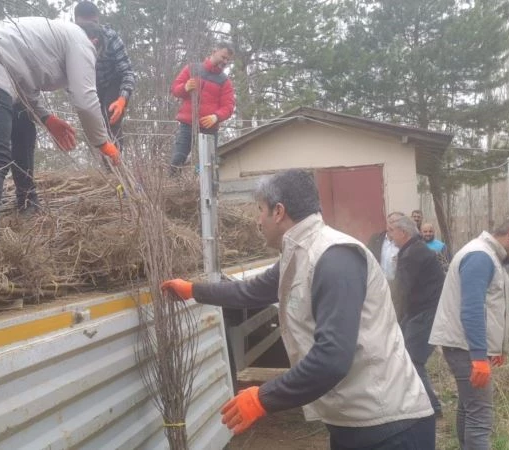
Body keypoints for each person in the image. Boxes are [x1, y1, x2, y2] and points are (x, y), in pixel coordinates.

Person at [163, 170, 435, 449]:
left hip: (389, 427)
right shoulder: (299, 255)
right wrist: (193, 290)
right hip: (355, 423)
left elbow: (332, 358)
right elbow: (251, 291)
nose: (258, 220)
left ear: (278, 211)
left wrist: (263, 398)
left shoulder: (333, 257)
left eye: (260, 210)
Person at [0, 17, 119, 230]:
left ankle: (27, 201)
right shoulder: (81, 40)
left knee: (23, 124)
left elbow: (25, 88)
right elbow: (85, 99)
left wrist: (47, 118)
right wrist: (103, 143)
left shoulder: (51, 37)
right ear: (95, 42)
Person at [429, 215, 509, 449]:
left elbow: (491, 308)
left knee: (469, 408)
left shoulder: (488, 256)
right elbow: (472, 310)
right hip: (465, 348)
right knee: (481, 418)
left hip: (464, 346)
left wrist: (498, 348)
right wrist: (479, 357)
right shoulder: (481, 257)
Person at [388, 215, 445, 417]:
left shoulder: (413, 253)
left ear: (403, 233)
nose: (390, 236)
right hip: (419, 311)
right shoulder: (414, 249)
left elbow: (401, 290)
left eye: (392, 231)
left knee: (412, 359)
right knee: (402, 355)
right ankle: (409, 399)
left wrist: (390, 317)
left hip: (426, 313)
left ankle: (432, 407)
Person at [74, 1, 135, 151]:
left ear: (97, 20)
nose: (89, 30)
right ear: (76, 22)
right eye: (83, 26)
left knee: (111, 117)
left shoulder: (111, 37)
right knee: (96, 122)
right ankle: (107, 159)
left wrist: (122, 99)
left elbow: (128, 72)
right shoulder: (70, 40)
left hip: (113, 80)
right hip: (90, 84)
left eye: (93, 24)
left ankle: (115, 165)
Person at [169, 43, 236, 175]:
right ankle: (173, 190)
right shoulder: (192, 69)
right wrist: (185, 88)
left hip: (209, 129)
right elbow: (175, 89)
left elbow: (228, 107)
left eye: (228, 60)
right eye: (223, 57)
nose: (225, 61)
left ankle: (202, 191)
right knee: (177, 159)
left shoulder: (225, 82)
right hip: (187, 125)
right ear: (214, 51)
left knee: (206, 166)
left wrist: (216, 116)